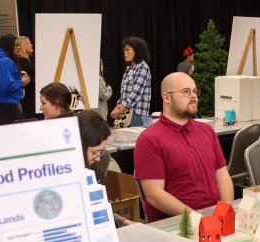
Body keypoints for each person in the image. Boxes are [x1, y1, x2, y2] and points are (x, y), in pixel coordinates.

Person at [134, 72, 234, 222]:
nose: (193, 96)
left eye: (195, 91)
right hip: (176, 224)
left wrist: (226, 211)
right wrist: (196, 219)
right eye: (186, 92)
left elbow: (222, 176)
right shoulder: (150, 139)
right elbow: (155, 195)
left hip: (213, 217)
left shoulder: (207, 131)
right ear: (167, 97)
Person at [77, 110, 135, 227]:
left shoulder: (95, 170)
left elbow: (99, 208)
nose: (97, 158)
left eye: (100, 152)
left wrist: (122, 222)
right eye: (94, 152)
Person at [0, 34, 30, 125]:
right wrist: (21, 82)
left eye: (19, 45)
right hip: (5, 105)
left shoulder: (3, 60)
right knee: (21, 132)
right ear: (9, 46)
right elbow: (6, 86)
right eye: (16, 45)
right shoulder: (6, 62)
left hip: (3, 104)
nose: (19, 47)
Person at [112, 37, 152, 127]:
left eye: (128, 49)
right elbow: (124, 94)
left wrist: (121, 110)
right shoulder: (129, 68)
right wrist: (117, 107)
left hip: (136, 115)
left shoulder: (142, 67)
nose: (125, 52)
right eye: (124, 49)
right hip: (127, 113)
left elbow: (136, 94)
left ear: (137, 51)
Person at [15, 36, 36, 119]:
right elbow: (25, 80)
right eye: (27, 44)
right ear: (21, 47)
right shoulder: (22, 60)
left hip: (30, 97)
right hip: (29, 97)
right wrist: (39, 80)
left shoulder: (26, 60)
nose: (31, 45)